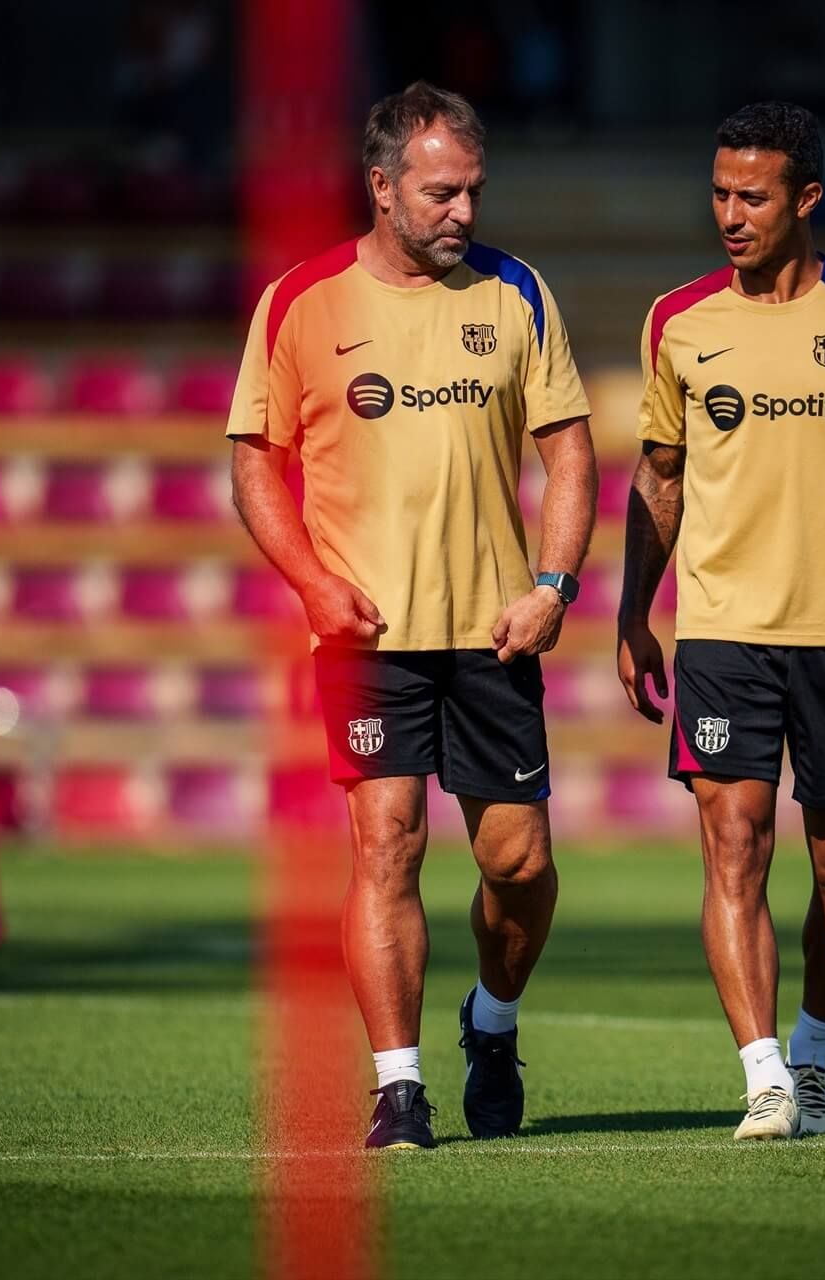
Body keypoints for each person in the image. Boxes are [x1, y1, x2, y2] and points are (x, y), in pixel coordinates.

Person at [227, 82, 597, 1150]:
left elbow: (568, 449)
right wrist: (310, 582)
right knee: (385, 846)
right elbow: (255, 466)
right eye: (442, 192)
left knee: (518, 864)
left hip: (494, 632)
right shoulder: (301, 302)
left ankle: (494, 1018)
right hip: (365, 636)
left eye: (474, 191)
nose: (463, 213)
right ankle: (399, 1085)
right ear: (382, 186)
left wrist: (555, 587)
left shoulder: (517, 292)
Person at [616, 101, 825, 1141]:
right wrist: (633, 609)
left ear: (805, 197)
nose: (729, 213)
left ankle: (811, 1056)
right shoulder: (678, 318)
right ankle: (761, 1073)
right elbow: (659, 477)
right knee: (733, 843)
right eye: (718, 192)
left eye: (751, 195)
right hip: (722, 633)